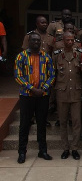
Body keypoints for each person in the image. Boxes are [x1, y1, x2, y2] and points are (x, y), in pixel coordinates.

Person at [14, 32, 55, 163]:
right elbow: (18, 76)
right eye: (34, 40)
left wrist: (43, 89)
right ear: (29, 42)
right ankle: (22, 152)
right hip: (27, 96)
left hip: (43, 96)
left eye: (38, 40)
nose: (36, 42)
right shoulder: (21, 56)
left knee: (42, 124)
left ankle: (42, 151)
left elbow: (52, 75)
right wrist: (32, 89)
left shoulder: (46, 57)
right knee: (24, 124)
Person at [52, 32, 82, 160]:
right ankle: (65, 148)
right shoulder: (57, 55)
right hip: (62, 93)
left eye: (72, 40)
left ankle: (75, 148)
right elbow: (53, 74)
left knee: (76, 122)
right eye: (68, 40)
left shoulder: (80, 54)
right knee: (63, 122)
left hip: (76, 93)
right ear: (63, 41)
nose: (70, 42)